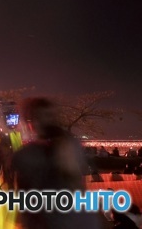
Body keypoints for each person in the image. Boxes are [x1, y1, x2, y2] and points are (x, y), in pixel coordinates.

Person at [11, 97, 99, 229]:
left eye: (47, 116)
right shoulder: (70, 145)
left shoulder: (26, 155)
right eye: (39, 117)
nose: (44, 121)